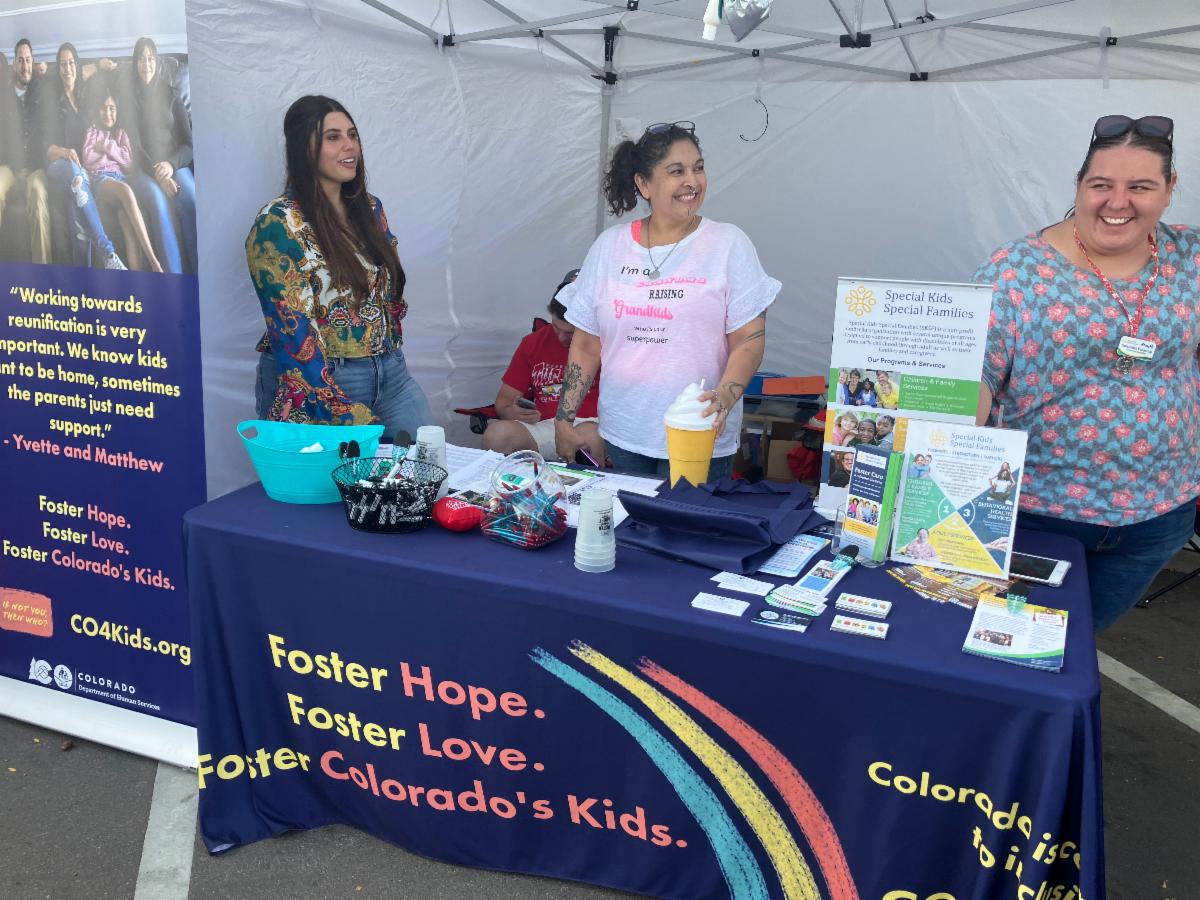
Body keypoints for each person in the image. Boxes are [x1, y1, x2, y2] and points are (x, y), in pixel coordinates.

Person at [975, 114, 1199, 632]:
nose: (1117, 202)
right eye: (1101, 185)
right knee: (1017, 641)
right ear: (1078, 184)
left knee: (1077, 639)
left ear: (1169, 189)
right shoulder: (1015, 270)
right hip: (1038, 514)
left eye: (1140, 187)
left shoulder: (1190, 257)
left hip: (1160, 512)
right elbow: (976, 379)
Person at [553, 121, 779, 476]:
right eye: (677, 171)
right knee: (630, 512)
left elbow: (749, 339)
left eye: (698, 168)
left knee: (685, 513)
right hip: (624, 432)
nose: (692, 181)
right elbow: (586, 344)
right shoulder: (609, 247)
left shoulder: (728, 244)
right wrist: (563, 418)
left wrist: (724, 397)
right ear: (644, 184)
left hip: (698, 431)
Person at [247, 95, 431, 441]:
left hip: (391, 373)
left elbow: (386, 297)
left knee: (425, 466)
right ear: (304, 149)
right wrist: (342, 411)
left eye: (352, 134)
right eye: (333, 137)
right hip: (322, 380)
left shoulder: (370, 209)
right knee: (340, 478)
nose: (350, 146)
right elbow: (292, 331)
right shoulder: (278, 222)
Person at [483, 270, 603, 460]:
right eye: (556, 328)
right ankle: (508, 481)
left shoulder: (605, 343)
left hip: (594, 424)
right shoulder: (533, 343)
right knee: (497, 434)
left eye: (571, 333)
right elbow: (504, 400)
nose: (561, 338)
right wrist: (512, 412)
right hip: (545, 427)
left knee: (589, 435)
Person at [41, 42, 125, 269]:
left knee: (79, 220)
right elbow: (46, 149)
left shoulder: (85, 96)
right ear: (57, 68)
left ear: (77, 66)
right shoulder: (53, 101)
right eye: (62, 64)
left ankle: (85, 280)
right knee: (74, 173)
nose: (67, 68)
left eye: (71, 63)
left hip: (81, 175)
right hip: (59, 167)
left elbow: (90, 72)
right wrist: (65, 152)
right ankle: (108, 251)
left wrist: (100, 65)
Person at [128, 36, 196, 274]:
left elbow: (188, 145)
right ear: (135, 63)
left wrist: (170, 164)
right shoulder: (130, 100)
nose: (146, 64)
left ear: (156, 62)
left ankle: (199, 278)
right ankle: (172, 279)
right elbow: (134, 146)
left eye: (150, 58)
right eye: (141, 59)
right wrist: (158, 174)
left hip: (175, 164)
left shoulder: (172, 94)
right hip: (143, 169)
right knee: (158, 203)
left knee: (190, 199)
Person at [82, 92, 162, 271]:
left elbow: (129, 163)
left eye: (112, 109)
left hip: (120, 179)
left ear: (117, 111)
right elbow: (88, 159)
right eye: (104, 108)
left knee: (129, 227)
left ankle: (135, 277)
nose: (107, 113)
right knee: (126, 191)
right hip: (102, 180)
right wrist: (115, 155)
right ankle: (154, 262)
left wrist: (106, 147)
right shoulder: (92, 132)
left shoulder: (121, 134)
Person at [8, 39, 51, 263]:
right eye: (20, 60)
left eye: (28, 60)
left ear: (33, 62)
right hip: (9, 166)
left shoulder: (41, 89)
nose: (25, 66)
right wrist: (17, 168)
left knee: (36, 191)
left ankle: (41, 272)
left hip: (37, 167)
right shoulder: (4, 95)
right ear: (14, 64)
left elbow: (69, 75)